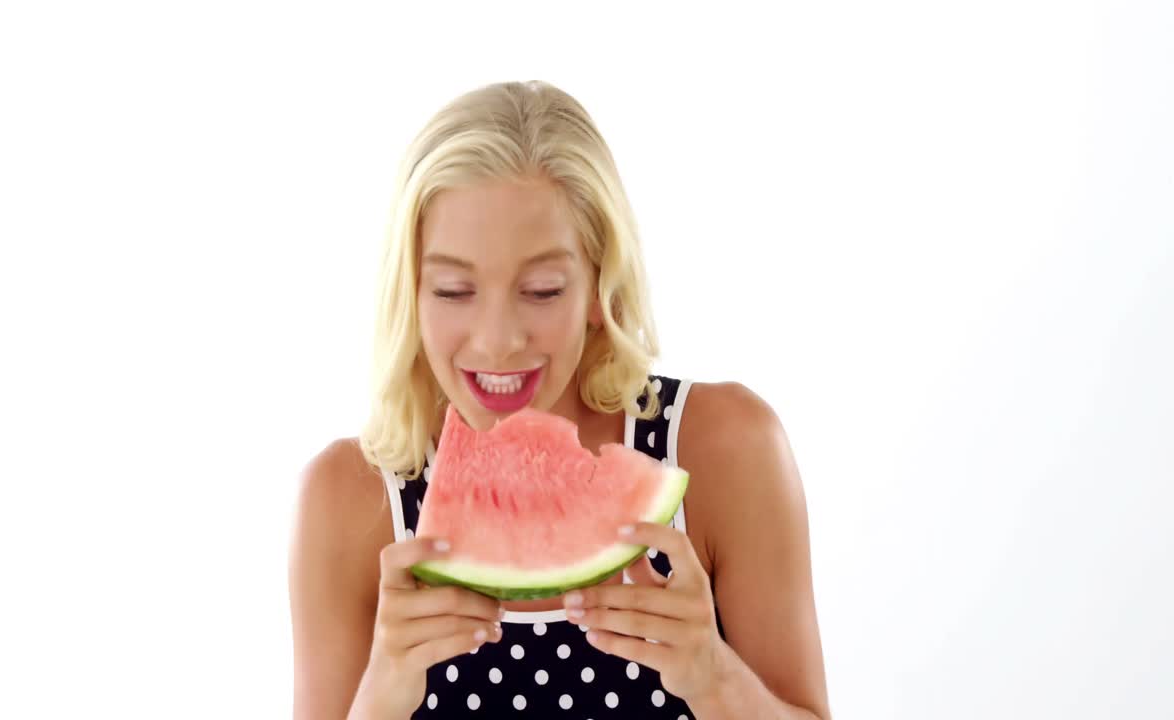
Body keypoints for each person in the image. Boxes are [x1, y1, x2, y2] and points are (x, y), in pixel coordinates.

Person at [289, 80, 831, 720]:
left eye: (543, 290)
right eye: (454, 290)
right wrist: (380, 698)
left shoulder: (722, 451)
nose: (497, 342)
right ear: (409, 294)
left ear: (600, 286)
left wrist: (716, 680)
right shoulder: (351, 502)